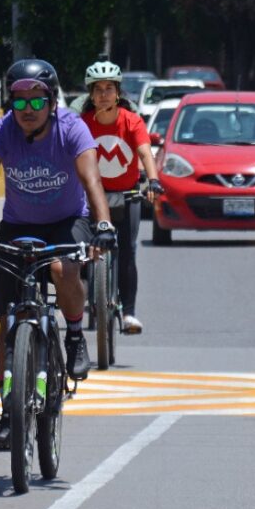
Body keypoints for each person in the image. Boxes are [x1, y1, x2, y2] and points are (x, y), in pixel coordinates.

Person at [0, 58, 116, 450]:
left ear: (52, 101)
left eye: (36, 101)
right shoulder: (2, 130)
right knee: (9, 325)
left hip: (66, 220)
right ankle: (10, 409)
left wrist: (104, 225)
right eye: (18, 102)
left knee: (62, 267)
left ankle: (74, 334)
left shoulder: (72, 128)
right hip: (18, 226)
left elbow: (92, 179)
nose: (26, 110)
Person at [80, 58, 161, 334]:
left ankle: (129, 313)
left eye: (109, 88)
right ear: (90, 94)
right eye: (98, 89)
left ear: (118, 93)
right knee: (80, 249)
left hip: (127, 195)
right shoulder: (83, 123)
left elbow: (144, 152)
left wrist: (153, 180)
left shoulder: (132, 121)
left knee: (127, 251)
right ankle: (83, 296)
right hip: (92, 196)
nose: (104, 94)